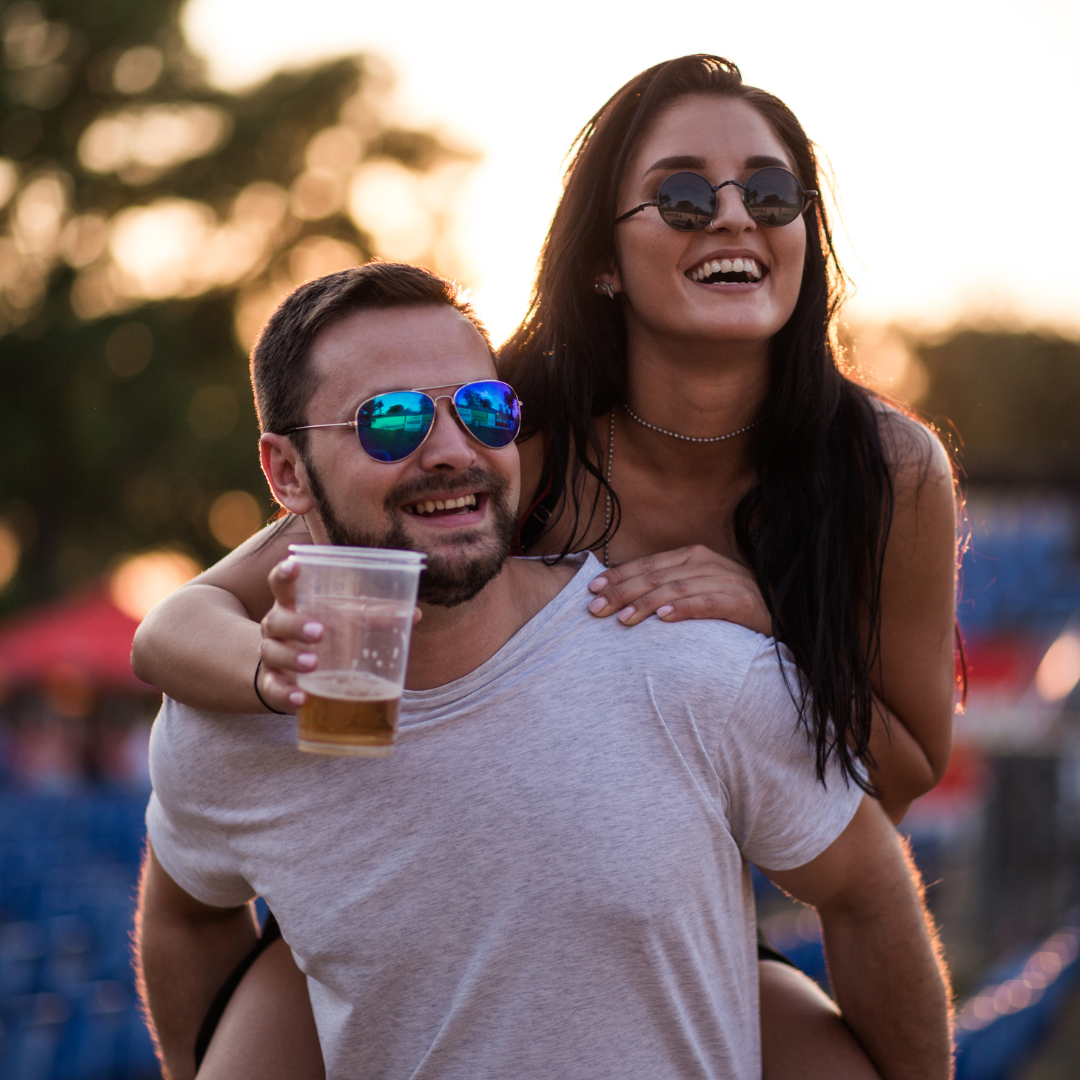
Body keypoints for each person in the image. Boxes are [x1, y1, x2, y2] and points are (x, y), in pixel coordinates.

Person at [132, 55, 959, 1077]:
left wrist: (766, 630)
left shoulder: (885, 468)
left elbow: (904, 777)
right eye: (683, 195)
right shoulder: (509, 425)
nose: (733, 216)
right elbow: (175, 625)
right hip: (395, 897)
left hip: (656, 887)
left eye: (773, 193)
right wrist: (273, 681)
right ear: (603, 259)